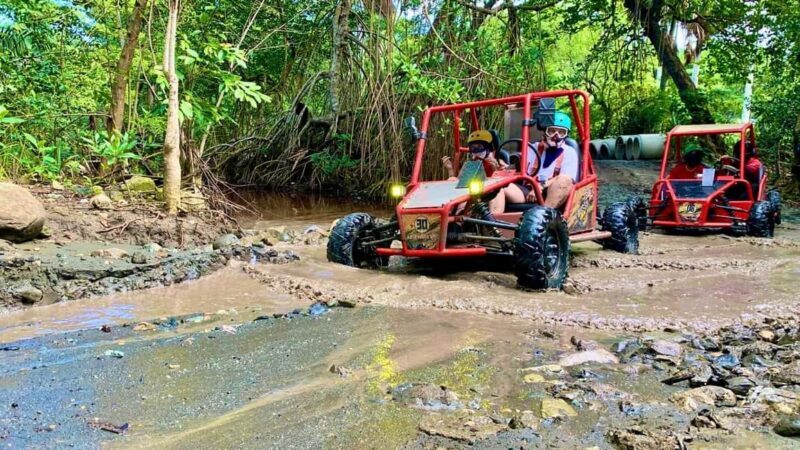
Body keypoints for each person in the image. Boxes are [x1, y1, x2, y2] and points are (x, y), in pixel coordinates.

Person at [490, 111, 578, 213]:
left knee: (564, 180)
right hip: (528, 189)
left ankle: (543, 219)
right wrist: (501, 166)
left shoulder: (569, 152)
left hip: (551, 192)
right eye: (552, 131)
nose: (556, 135)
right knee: (497, 186)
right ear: (544, 131)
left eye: (561, 132)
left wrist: (540, 187)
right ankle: (493, 225)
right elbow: (517, 167)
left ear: (566, 135)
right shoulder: (532, 148)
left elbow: (566, 179)